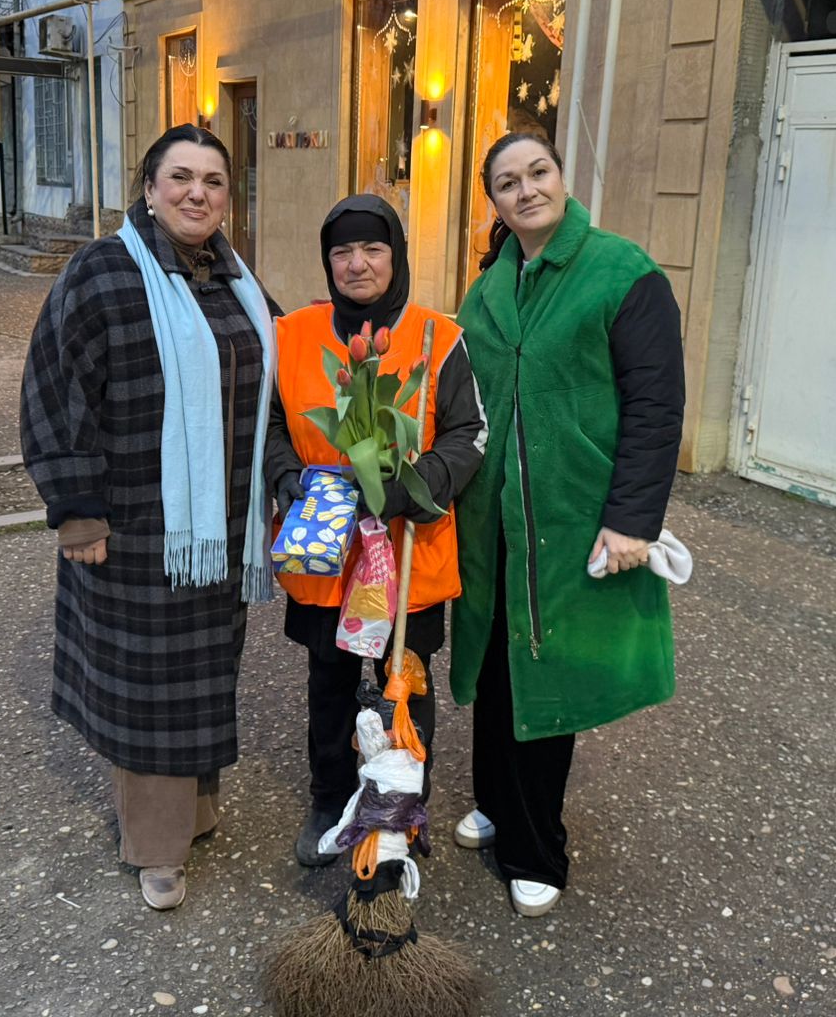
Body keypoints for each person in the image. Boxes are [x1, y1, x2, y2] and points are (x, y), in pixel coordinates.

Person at [20, 124, 277, 912]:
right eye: (181, 177)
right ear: (150, 187)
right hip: (134, 530)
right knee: (151, 689)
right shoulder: (104, 271)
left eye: (214, 180)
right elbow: (54, 389)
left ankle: (193, 815)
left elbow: (288, 374)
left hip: (217, 533)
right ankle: (156, 849)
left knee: (204, 676)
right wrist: (77, 510)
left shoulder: (236, 281)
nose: (198, 192)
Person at [449, 131, 686, 918]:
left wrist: (631, 521)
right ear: (494, 200)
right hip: (493, 527)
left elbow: (656, 407)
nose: (526, 190)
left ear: (562, 176)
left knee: (545, 673)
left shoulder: (621, 272)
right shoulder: (490, 286)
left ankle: (536, 849)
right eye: (507, 182)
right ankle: (496, 803)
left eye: (538, 172)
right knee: (496, 669)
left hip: (572, 521)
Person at [264, 193, 486, 868]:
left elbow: (470, 434)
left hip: (408, 546)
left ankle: (400, 813)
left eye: (373, 249)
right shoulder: (294, 334)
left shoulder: (436, 336)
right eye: (342, 252)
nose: (357, 264)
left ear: (397, 256)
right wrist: (287, 475)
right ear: (326, 260)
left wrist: (416, 486)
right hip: (326, 548)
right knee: (328, 679)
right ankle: (330, 798)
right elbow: (270, 425)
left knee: (404, 682)